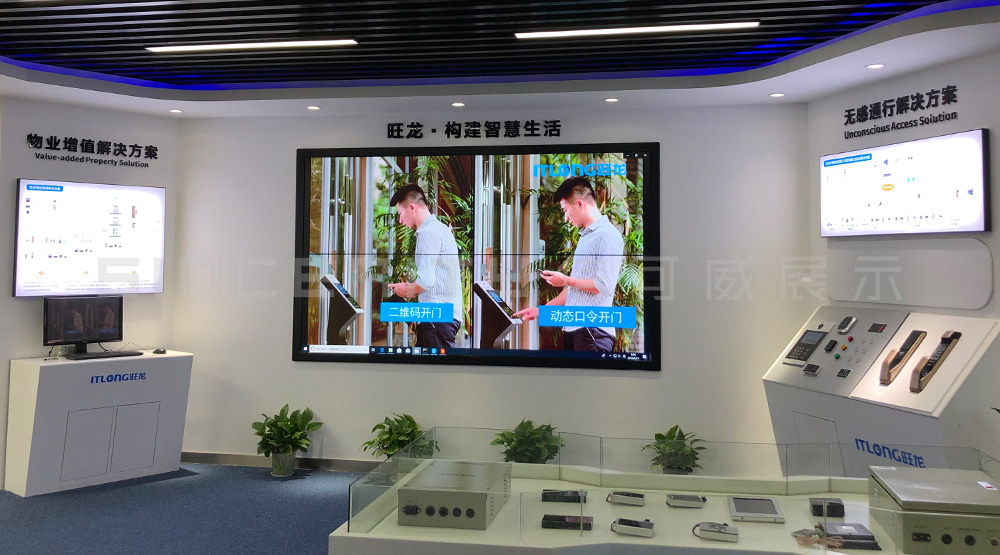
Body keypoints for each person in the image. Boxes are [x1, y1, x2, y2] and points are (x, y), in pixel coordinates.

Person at [514, 176, 624, 352]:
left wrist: (566, 280)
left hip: (593, 332)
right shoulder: (586, 237)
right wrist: (541, 311)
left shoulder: (607, 235)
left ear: (580, 204)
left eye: (566, 210)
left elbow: (604, 286)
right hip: (577, 329)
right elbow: (574, 289)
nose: (566, 218)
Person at [387, 184, 463, 349]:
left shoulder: (427, 233)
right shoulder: (441, 229)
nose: (400, 220)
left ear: (412, 207)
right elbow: (434, 279)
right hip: (442, 317)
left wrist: (404, 291)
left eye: (400, 213)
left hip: (436, 318)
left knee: (433, 367)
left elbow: (426, 281)